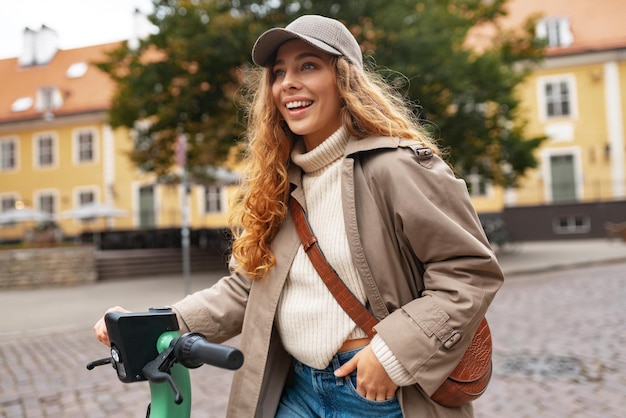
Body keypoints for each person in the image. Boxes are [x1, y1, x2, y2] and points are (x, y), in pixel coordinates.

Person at [94, 14, 504, 417]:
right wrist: (160, 324)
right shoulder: (278, 183)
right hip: (294, 390)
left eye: (308, 65)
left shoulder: (396, 166)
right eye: (278, 72)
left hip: (376, 394)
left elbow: (468, 271)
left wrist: (392, 353)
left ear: (344, 80)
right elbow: (249, 290)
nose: (288, 82)